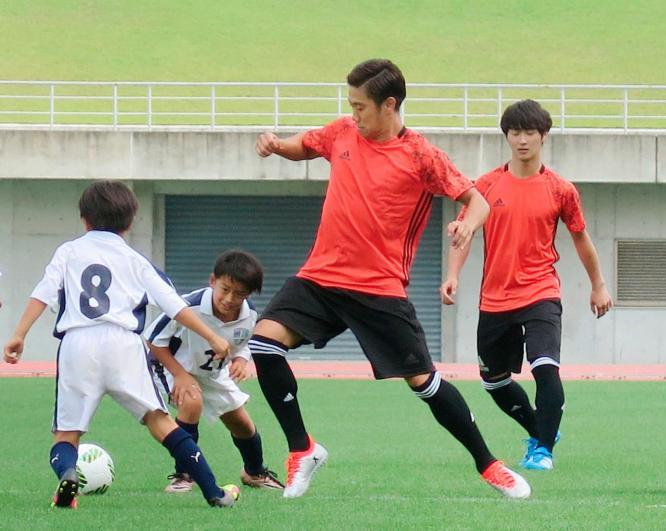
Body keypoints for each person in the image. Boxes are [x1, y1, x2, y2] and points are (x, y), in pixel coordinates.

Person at [251, 58, 530, 499]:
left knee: (425, 383)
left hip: (378, 289)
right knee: (263, 344)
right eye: (351, 105)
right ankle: (302, 448)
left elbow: (478, 202)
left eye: (361, 106)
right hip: (320, 277)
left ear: (390, 105)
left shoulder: (421, 155)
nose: (354, 113)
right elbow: (306, 144)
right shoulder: (343, 131)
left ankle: (489, 464)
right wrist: (275, 145)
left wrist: (466, 225)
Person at [2, 181, 240, 509]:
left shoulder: (69, 251)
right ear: (130, 223)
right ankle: (215, 492)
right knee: (161, 423)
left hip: (77, 343)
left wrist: (19, 334)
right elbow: (173, 304)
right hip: (124, 344)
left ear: (84, 219)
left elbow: (43, 292)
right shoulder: (135, 260)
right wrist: (213, 336)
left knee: (66, 435)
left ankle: (68, 473)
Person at [441, 99, 613, 470]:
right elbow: (463, 233)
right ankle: (541, 428)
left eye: (529, 133)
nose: (522, 140)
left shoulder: (560, 189)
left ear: (543, 136)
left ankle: (543, 452)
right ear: (506, 136)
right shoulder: (485, 186)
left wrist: (598, 284)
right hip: (495, 298)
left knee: (545, 367)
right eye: (515, 132)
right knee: (494, 382)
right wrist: (453, 274)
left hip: (541, 292)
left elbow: (581, 238)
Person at [145, 250, 283, 493]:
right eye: (225, 289)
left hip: (211, 373)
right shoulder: (188, 306)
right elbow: (153, 340)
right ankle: (184, 474)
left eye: (239, 294)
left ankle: (254, 472)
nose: (230, 299)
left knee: (242, 423)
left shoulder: (249, 314)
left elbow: (243, 344)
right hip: (170, 367)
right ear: (212, 281)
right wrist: (180, 375)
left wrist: (240, 360)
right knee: (192, 401)